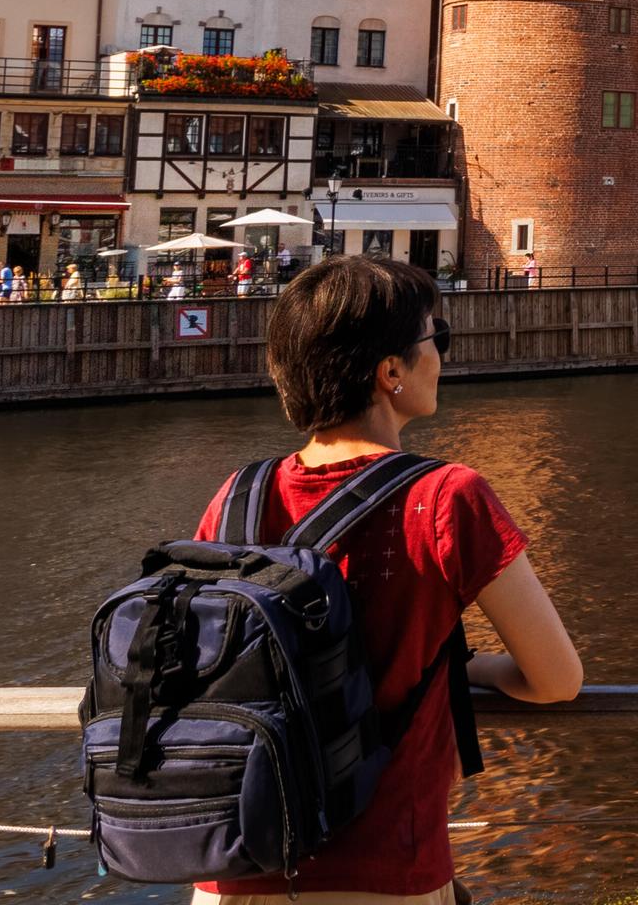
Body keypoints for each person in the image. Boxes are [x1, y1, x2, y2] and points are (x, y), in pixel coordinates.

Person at [188, 254, 582, 905]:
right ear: (391, 372)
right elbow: (557, 679)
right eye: (438, 339)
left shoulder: (238, 498)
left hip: (234, 873)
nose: (443, 358)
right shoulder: (446, 497)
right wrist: (472, 668)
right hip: (381, 877)